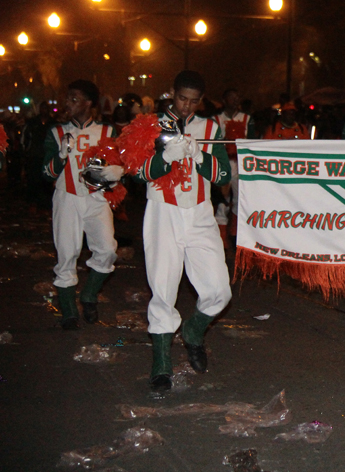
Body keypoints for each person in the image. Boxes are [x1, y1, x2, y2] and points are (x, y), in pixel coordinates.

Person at [133, 70, 232, 392]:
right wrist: (165, 157)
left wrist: (199, 155)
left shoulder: (211, 127)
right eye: (181, 99)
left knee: (219, 290)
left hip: (201, 213)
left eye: (193, 101)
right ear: (170, 93)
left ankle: (192, 332)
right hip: (163, 212)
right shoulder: (147, 124)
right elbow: (138, 173)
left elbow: (222, 176)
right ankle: (161, 364)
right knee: (162, 289)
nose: (187, 106)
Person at [43, 80, 122, 330]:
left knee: (108, 249)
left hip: (96, 197)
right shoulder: (56, 132)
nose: (68, 103)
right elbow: (46, 173)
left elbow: (121, 164)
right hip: (67, 196)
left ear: (89, 103)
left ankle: (88, 295)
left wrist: (116, 172)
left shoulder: (107, 131)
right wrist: (61, 155)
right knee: (67, 253)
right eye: (68, 98)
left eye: (74, 98)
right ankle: (68, 311)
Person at [213, 89, 256, 247]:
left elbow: (252, 141)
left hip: (240, 164)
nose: (235, 100)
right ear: (224, 99)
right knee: (222, 201)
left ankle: (234, 235)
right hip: (223, 162)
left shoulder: (246, 118)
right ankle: (221, 239)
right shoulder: (216, 119)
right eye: (232, 98)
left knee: (241, 199)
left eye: (237, 97)